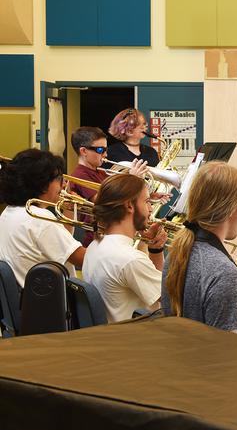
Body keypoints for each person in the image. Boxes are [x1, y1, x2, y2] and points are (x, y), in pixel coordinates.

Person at [161, 162, 237, 335]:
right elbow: (227, 356)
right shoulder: (224, 273)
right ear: (231, 209)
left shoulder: (177, 253)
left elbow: (202, 316)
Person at [82, 174, 167, 322]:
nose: (151, 208)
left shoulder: (94, 246)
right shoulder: (130, 259)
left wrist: (155, 249)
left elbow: (160, 288)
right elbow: (172, 299)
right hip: (134, 338)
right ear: (129, 206)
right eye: (147, 201)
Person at [0, 149, 85, 286]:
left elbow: (59, 245)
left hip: (29, 299)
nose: (63, 185)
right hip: (53, 301)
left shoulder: (10, 212)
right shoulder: (40, 218)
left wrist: (69, 210)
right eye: (58, 179)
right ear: (43, 184)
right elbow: (82, 259)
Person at [69, 126, 147, 246]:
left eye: (106, 150)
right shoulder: (79, 175)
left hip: (111, 236)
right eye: (100, 150)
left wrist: (150, 196)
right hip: (98, 238)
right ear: (84, 151)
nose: (105, 154)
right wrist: (132, 180)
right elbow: (107, 202)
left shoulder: (101, 172)